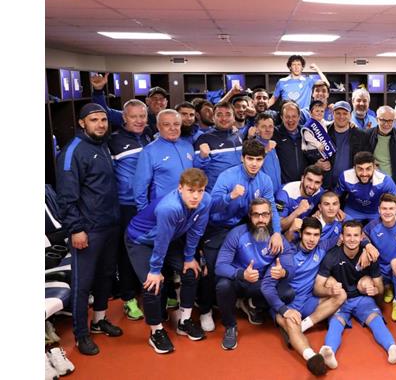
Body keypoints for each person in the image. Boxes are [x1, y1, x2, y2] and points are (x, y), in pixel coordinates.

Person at [261, 217, 378, 375]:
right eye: (308, 234)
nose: (312, 239)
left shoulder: (322, 246)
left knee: (341, 294)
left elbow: (351, 236)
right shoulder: (288, 254)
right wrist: (284, 310)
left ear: (320, 236)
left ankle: (303, 326)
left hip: (309, 300)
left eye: (316, 235)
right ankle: (311, 357)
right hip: (288, 304)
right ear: (300, 234)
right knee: (289, 322)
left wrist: (366, 247)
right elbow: (266, 287)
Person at [56, 103, 123, 356]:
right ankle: (81, 335)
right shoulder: (72, 151)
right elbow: (66, 196)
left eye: (103, 120)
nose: (101, 124)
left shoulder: (102, 144)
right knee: (82, 284)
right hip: (88, 229)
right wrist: (76, 229)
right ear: (82, 123)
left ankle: (99, 320)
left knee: (106, 276)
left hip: (110, 224)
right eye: (94, 120)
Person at [125, 168, 211, 353]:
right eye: (191, 190)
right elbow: (161, 241)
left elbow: (196, 231)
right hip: (141, 240)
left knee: (191, 272)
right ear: (180, 188)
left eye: (200, 191)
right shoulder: (169, 207)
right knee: (152, 285)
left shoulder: (205, 201)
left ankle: (184, 321)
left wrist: (189, 258)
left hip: (170, 238)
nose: (196, 196)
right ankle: (156, 331)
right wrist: (155, 270)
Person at [93, 69, 154, 321]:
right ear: (124, 118)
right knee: (128, 253)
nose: (139, 120)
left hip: (149, 204)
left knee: (151, 248)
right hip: (127, 206)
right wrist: (98, 92)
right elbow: (102, 114)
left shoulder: (150, 136)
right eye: (133, 116)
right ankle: (129, 298)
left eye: (142, 116)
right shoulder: (115, 139)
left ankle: (151, 291)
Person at [316, 221, 396, 369]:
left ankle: (392, 349)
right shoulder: (332, 256)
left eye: (356, 235)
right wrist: (330, 291)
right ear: (341, 237)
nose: (352, 239)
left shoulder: (369, 255)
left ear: (362, 237)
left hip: (362, 299)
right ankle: (329, 353)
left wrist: (375, 291)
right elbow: (317, 288)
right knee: (336, 322)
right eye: (348, 235)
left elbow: (380, 287)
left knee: (375, 319)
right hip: (339, 299)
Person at [214, 199, 288, 339]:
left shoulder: (277, 237)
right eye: (256, 215)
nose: (261, 220)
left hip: (260, 283)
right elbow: (220, 266)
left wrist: (283, 272)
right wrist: (242, 274)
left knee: (287, 292)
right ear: (250, 216)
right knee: (223, 286)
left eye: (265, 214)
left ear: (271, 216)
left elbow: (288, 262)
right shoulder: (237, 233)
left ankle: (253, 304)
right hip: (239, 280)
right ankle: (230, 326)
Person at [133, 109, 195, 211]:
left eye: (176, 124)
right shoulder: (149, 151)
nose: (172, 128)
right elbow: (140, 185)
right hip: (163, 209)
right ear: (158, 126)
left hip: (189, 207)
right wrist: (144, 211)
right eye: (166, 124)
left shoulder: (188, 146)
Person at [336, 152, 396, 222]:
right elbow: (334, 197)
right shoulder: (345, 176)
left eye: (368, 168)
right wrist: (337, 210)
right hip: (353, 210)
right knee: (345, 228)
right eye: (360, 169)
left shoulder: (384, 180)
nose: (364, 174)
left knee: (382, 229)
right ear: (354, 168)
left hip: (376, 212)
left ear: (374, 167)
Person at [90, 73, 168, 135]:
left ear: (166, 102)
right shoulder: (131, 116)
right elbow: (105, 113)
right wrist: (98, 91)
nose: (158, 102)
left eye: (161, 99)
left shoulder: (171, 118)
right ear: (147, 101)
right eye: (154, 98)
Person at [193, 101, 243, 192]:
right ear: (213, 118)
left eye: (228, 114)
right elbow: (196, 168)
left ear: (234, 118)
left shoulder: (238, 135)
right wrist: (202, 157)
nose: (224, 118)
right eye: (219, 115)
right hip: (216, 192)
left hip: (239, 190)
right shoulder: (204, 138)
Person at [325, 101, 371, 189]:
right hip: (327, 185)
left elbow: (367, 161)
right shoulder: (324, 132)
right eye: (338, 113)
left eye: (345, 113)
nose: (341, 116)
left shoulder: (361, 136)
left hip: (352, 186)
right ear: (333, 114)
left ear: (350, 115)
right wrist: (317, 163)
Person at [368, 105, 396, 196]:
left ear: (394, 120)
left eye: (390, 120)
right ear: (377, 119)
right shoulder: (367, 135)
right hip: (372, 182)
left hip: (394, 182)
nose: (386, 124)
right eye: (383, 120)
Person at [276, 165, 326, 232]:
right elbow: (279, 227)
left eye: (317, 182)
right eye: (309, 180)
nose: (312, 186)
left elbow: (330, 201)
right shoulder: (285, 193)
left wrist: (319, 211)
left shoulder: (320, 192)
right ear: (302, 178)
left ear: (321, 184)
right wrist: (297, 211)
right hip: (286, 233)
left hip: (304, 230)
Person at [250, 112, 282, 194]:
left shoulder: (272, 146)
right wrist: (265, 151)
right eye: (263, 126)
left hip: (277, 194)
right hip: (262, 196)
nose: (268, 130)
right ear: (256, 129)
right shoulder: (252, 147)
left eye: (270, 126)